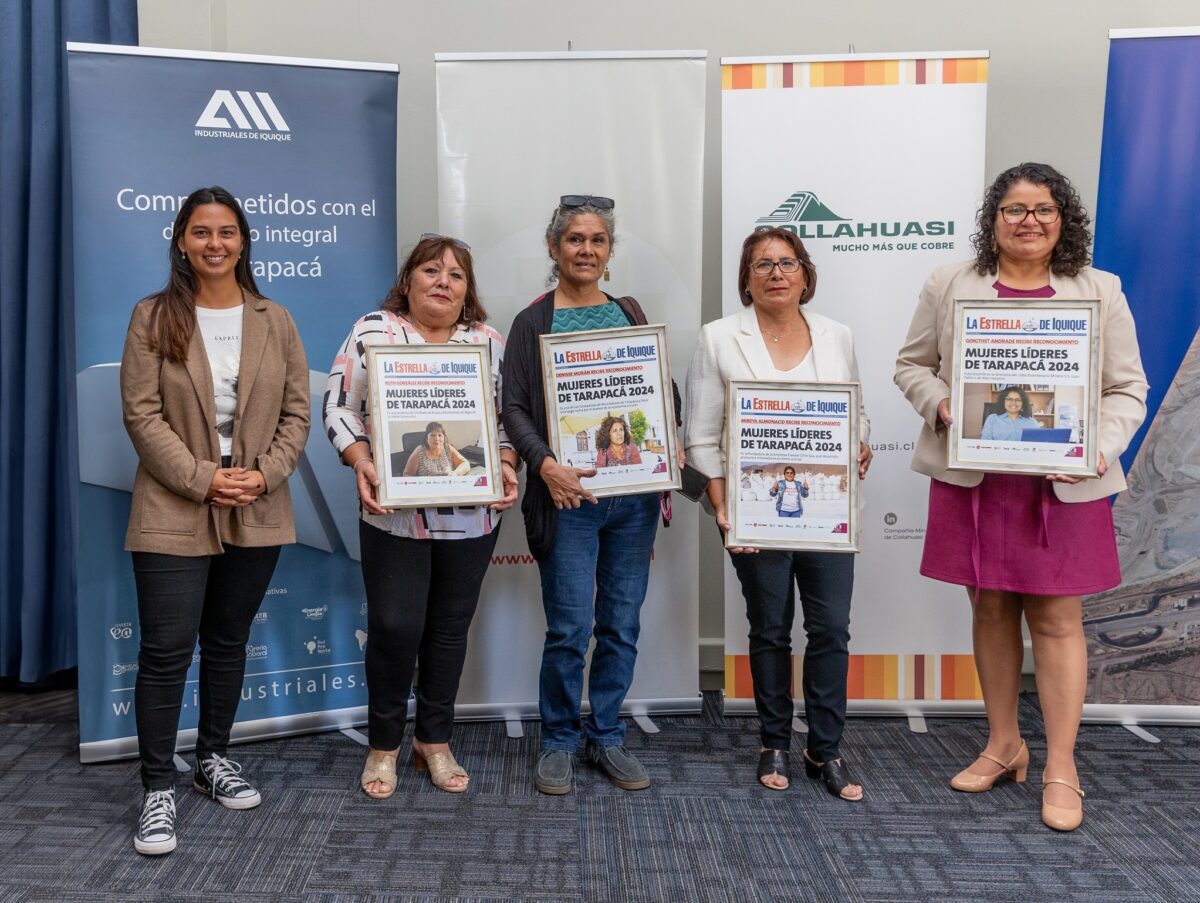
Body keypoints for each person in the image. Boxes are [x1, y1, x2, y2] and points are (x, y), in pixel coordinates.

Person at [894, 162, 1148, 831]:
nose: (1028, 220)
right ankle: (1004, 744)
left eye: (1042, 208)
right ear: (993, 219)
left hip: (1063, 482)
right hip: (977, 476)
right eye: (1013, 208)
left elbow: (1127, 388)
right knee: (990, 606)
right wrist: (945, 404)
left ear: (1062, 218)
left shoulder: (1100, 289)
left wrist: (1099, 448)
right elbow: (911, 364)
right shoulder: (952, 283)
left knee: (1059, 619)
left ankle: (1061, 765)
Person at [120, 186, 310, 855]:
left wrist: (263, 473)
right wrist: (205, 477)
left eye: (227, 231)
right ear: (181, 240)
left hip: (256, 500)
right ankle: (156, 791)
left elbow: (297, 412)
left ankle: (212, 759)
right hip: (174, 502)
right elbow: (141, 414)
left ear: (243, 240)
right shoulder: (153, 316)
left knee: (227, 640)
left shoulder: (274, 317)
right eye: (202, 232)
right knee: (167, 652)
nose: (215, 243)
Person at [324, 234, 519, 800]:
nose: (442, 282)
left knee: (448, 629)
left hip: (472, 516)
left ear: (468, 290)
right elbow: (339, 406)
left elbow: (507, 418)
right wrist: (359, 458)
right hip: (393, 515)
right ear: (408, 280)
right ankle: (383, 743)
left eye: (456, 275)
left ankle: (434, 740)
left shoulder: (487, 341)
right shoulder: (373, 332)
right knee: (394, 627)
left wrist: (505, 462)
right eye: (431, 270)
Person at [685, 227, 873, 798]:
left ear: (805, 274)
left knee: (830, 631)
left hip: (828, 515)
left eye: (787, 263)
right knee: (770, 630)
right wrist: (723, 511)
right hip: (751, 515)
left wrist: (859, 441)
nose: (775, 273)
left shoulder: (837, 336)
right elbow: (699, 438)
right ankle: (773, 741)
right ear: (746, 278)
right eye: (761, 264)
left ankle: (825, 749)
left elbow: (856, 412)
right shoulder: (719, 338)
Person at [502, 195, 679, 795]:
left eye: (597, 240)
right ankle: (557, 740)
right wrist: (546, 464)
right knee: (570, 629)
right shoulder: (533, 322)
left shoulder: (630, 312)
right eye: (574, 239)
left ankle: (606, 735)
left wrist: (668, 439)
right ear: (554, 249)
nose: (586, 249)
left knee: (621, 625)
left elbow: (662, 391)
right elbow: (515, 407)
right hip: (567, 500)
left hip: (631, 503)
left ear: (609, 251)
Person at [403, 421, 471, 476]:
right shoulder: (419, 451)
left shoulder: (447, 448)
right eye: (432, 435)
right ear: (427, 438)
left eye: (440, 435)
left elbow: (465, 464)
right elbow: (407, 474)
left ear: (444, 437)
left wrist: (456, 473)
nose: (436, 439)